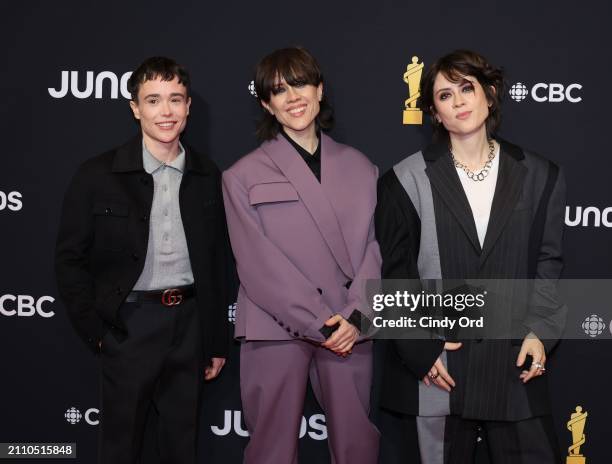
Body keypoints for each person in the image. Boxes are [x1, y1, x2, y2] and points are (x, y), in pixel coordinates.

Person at [375, 50, 566, 463]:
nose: (459, 101)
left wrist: (540, 332)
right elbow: (396, 277)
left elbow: (548, 263)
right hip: (440, 372)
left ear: (490, 94)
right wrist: (421, 350)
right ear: (434, 111)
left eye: (467, 88)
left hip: (513, 367)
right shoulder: (402, 180)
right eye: (445, 95)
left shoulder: (540, 174)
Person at [55, 56, 230, 464]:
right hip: (128, 325)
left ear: (188, 107)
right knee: (121, 447)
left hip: (189, 325)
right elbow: (69, 260)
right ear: (135, 108)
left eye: (175, 99)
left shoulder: (208, 175)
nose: (165, 112)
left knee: (180, 446)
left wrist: (216, 337)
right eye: (153, 100)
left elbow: (218, 262)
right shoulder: (97, 176)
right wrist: (98, 332)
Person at [222, 47, 380, 464]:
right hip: (276, 328)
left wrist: (357, 318)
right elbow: (257, 264)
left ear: (320, 89)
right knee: (270, 449)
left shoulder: (361, 167)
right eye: (278, 90)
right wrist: (318, 322)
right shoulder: (241, 176)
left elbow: (373, 250)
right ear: (266, 104)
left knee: (356, 446)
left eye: (300, 83)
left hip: (350, 327)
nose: (292, 96)